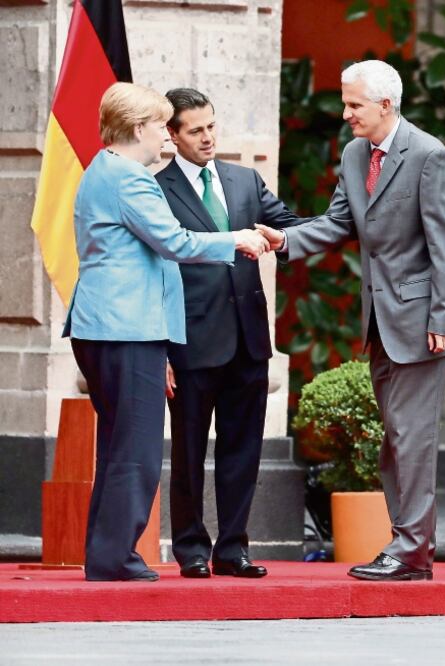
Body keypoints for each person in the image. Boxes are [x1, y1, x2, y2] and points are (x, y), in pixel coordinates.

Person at [257, 60, 445, 581]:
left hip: (423, 321)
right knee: (397, 438)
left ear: (385, 105)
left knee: (411, 437)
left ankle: (411, 549)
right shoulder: (355, 154)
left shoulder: (428, 155)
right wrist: (285, 241)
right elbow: (338, 223)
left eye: (354, 105)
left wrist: (442, 316)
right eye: (345, 103)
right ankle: (410, 548)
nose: (345, 113)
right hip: (379, 319)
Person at [63, 82, 268, 582]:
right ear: (138, 129)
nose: (167, 138)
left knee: (118, 447)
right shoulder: (131, 179)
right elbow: (174, 241)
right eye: (161, 126)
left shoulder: (102, 169)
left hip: (105, 327)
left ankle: (107, 553)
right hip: (127, 329)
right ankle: (115, 558)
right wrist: (235, 239)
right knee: (135, 451)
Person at [157, 88, 303, 579]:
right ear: (171, 135)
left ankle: (233, 546)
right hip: (190, 341)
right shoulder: (156, 189)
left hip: (248, 340)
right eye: (195, 130)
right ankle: (192, 548)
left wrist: (332, 224)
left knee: (243, 449)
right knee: (189, 451)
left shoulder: (244, 180)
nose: (207, 138)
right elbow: (155, 270)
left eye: (212, 126)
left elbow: (288, 230)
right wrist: (161, 352)